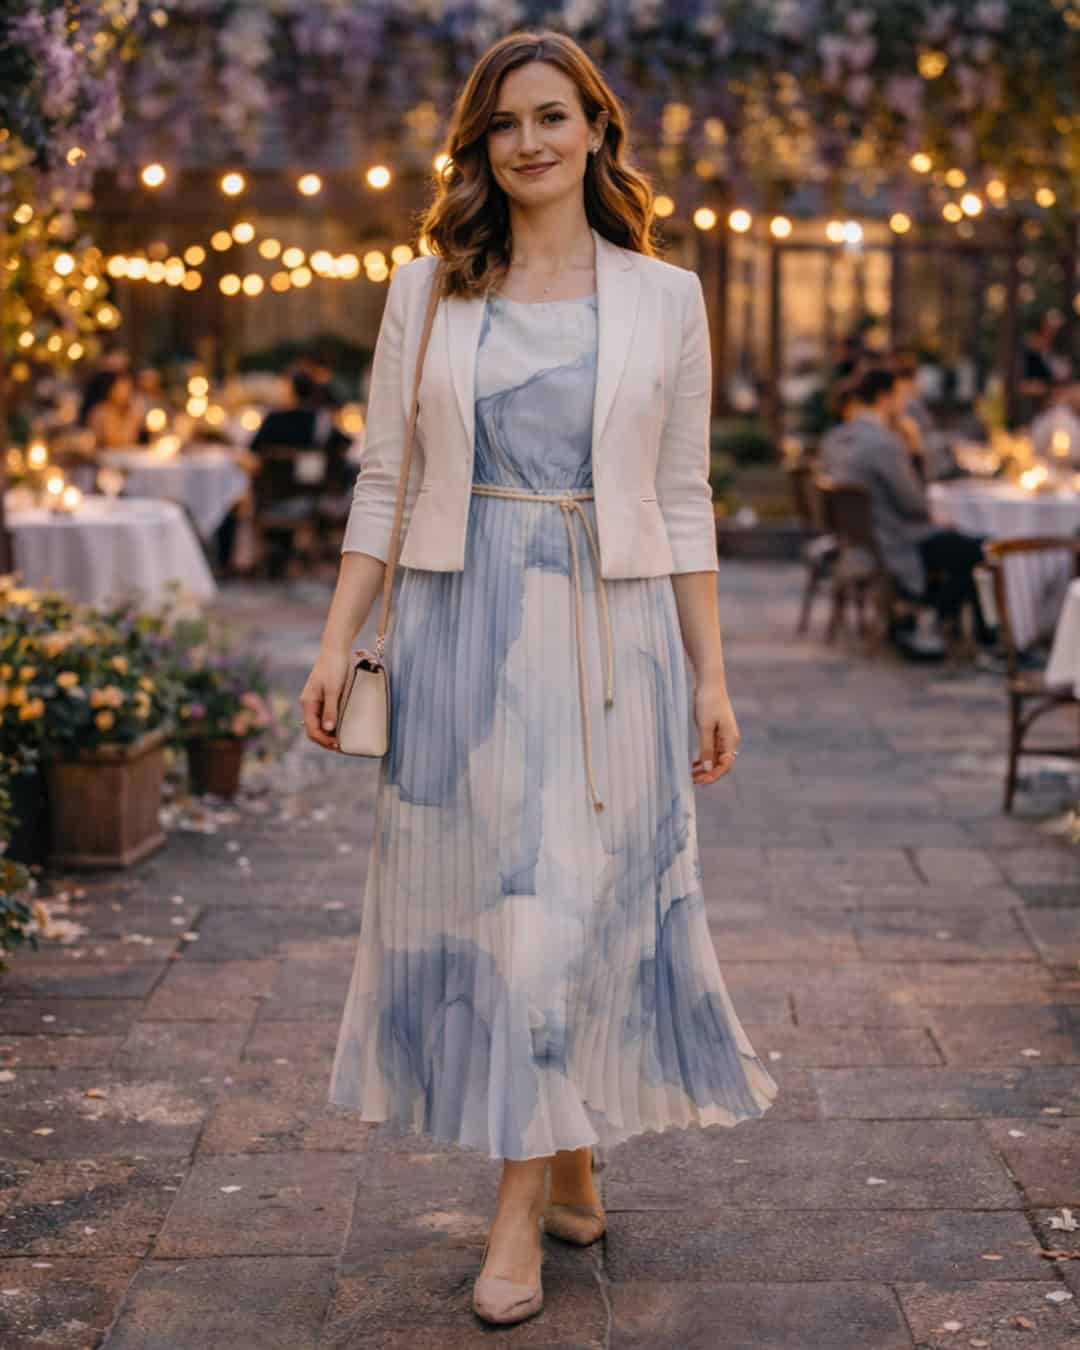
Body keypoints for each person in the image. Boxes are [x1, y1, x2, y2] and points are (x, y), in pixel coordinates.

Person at [299, 29, 778, 1328]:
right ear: (479, 143)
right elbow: (387, 480)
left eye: (553, 116)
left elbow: (683, 496)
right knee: (507, 907)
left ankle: (520, 1203)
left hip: (612, 637)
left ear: (594, 131)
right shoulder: (428, 290)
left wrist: (712, 672)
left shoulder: (663, 295)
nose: (529, 142)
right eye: (505, 122)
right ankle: (563, 1155)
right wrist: (342, 634)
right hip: (464, 627)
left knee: (571, 900)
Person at [820, 366, 996, 652]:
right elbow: (914, 503)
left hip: (866, 539)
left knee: (962, 546)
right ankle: (962, 628)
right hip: (896, 541)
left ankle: (929, 620)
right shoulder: (883, 443)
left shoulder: (839, 438)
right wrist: (915, 450)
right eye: (901, 398)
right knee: (982, 550)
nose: (905, 406)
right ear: (884, 398)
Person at [86, 370, 145, 450]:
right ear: (111, 390)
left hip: (128, 455)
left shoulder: (134, 411)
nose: (125, 393)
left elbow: (132, 438)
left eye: (128, 388)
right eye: (121, 388)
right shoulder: (99, 412)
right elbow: (108, 441)